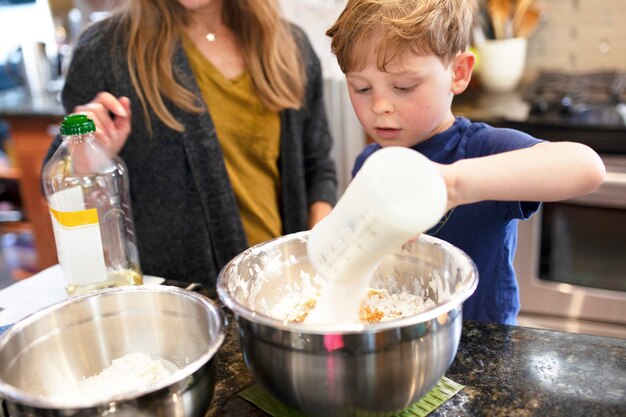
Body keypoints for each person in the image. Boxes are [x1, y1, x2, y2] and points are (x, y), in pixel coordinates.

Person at [326, 0, 605, 325]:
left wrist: (453, 184)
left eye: (403, 86)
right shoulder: (370, 164)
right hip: (401, 342)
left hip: (482, 352)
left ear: (458, 73)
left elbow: (586, 166)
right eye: (361, 87)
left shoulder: (481, 149)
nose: (379, 105)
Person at [43, 0, 337, 285]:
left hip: (283, 287)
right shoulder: (104, 51)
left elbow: (317, 166)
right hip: (181, 302)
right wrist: (91, 161)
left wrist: (313, 253)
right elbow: (62, 187)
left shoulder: (289, 45)